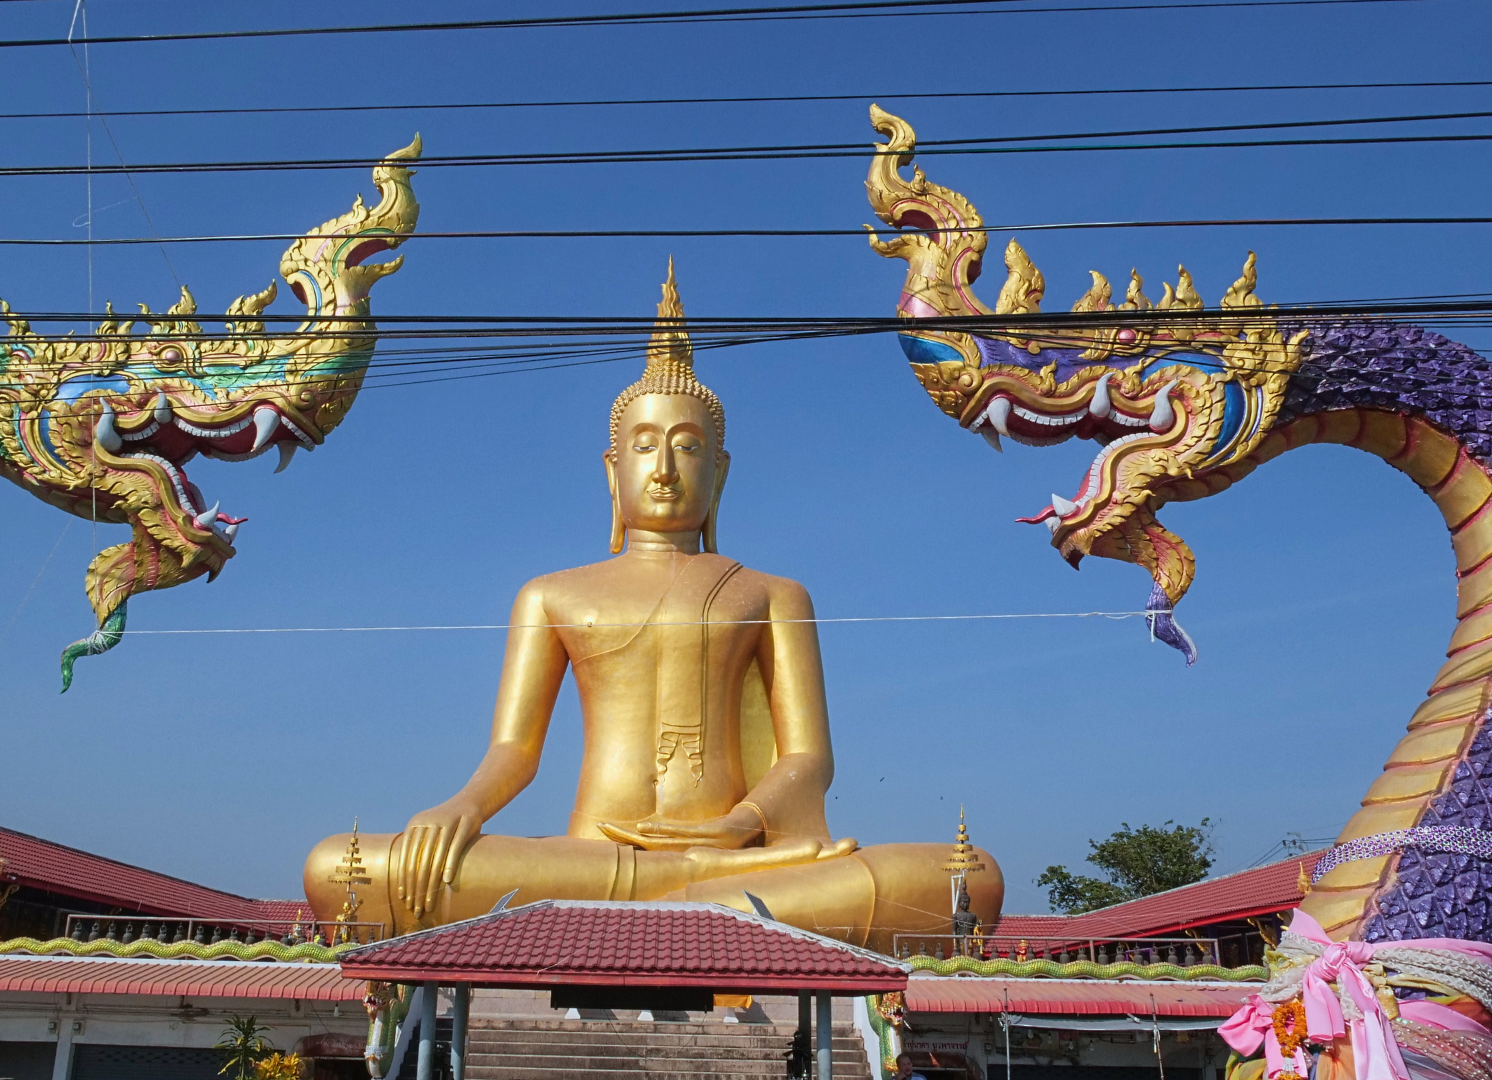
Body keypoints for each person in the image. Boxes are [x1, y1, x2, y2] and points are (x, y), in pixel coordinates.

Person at [305, 264, 1003, 950]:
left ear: (719, 473)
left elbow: (808, 759)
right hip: (592, 856)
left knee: (968, 876)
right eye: (644, 447)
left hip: (732, 848)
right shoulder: (551, 593)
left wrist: (738, 825)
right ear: (613, 471)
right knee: (339, 867)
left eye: (687, 447)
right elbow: (514, 751)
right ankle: (709, 901)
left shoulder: (773, 594)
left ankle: (692, 891)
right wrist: (461, 807)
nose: (664, 469)